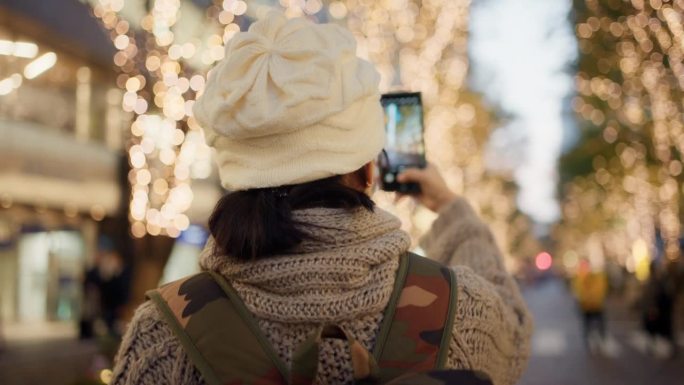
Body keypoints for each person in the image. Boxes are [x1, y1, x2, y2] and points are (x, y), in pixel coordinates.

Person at [111, 12, 532, 385]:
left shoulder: (163, 336)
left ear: (238, 172)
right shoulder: (458, 311)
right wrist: (451, 209)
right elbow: (512, 336)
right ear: (369, 169)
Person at [572, 259, 608, 352]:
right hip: (586, 306)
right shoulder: (580, 278)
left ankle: (602, 339)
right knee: (587, 325)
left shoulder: (596, 277)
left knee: (600, 324)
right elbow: (578, 292)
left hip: (596, 305)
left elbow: (601, 290)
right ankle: (589, 341)